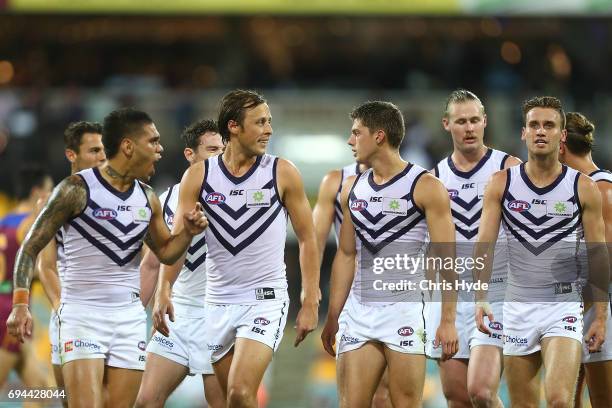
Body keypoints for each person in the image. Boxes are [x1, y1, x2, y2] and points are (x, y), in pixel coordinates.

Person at [6, 108, 208, 408]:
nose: (160, 149)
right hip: (82, 316)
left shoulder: (147, 197)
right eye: (153, 141)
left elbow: (166, 253)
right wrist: (21, 303)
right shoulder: (75, 190)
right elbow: (30, 248)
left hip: (128, 320)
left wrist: (187, 233)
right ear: (128, 146)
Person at [155, 90, 320, 407]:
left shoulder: (281, 172)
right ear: (233, 126)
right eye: (260, 122)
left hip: (264, 298)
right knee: (230, 402)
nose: (269, 130)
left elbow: (308, 237)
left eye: (269, 122)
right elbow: (178, 241)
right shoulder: (199, 176)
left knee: (240, 391)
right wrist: (165, 288)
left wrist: (310, 297)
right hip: (216, 302)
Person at [321, 101, 459, 407]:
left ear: (379, 136)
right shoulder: (350, 188)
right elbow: (346, 255)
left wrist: (448, 320)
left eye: (356, 133)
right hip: (358, 314)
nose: (350, 140)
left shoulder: (425, 187)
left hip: (404, 312)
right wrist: (333, 315)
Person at [474, 97, 608, 407]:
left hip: (562, 307)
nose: (540, 132)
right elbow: (484, 245)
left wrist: (600, 315)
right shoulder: (501, 183)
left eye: (549, 125)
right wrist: (480, 296)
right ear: (523, 133)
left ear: (562, 136)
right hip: (517, 306)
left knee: (560, 400)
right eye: (534, 125)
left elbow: (598, 254)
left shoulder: (583, 187)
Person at [426, 90, 520, 408]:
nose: (469, 128)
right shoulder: (434, 178)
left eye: (475, 120)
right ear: (446, 124)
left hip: (495, 294)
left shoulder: (508, 168)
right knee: (457, 397)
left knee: (481, 391)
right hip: (450, 298)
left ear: (485, 122)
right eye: (461, 121)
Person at [134, 119, 225, 408]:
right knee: (145, 400)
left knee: (222, 402)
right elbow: (151, 264)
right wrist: (134, 317)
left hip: (220, 316)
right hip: (179, 316)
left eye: (224, 149)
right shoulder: (167, 199)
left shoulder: (236, 199)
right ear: (190, 155)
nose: (220, 157)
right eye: (212, 149)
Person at [314, 161, 393, 408]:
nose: (351, 141)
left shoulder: (410, 179)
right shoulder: (337, 182)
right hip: (353, 294)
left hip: (394, 297)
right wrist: (310, 292)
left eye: (358, 134)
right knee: (353, 398)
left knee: (387, 394)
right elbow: (313, 241)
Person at [36, 121, 106, 396]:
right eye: (94, 150)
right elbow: (46, 263)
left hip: (114, 310)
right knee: (69, 397)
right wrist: (62, 309)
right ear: (71, 155)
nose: (102, 156)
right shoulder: (53, 201)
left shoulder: (122, 197)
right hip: (71, 310)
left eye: (104, 150)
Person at [558, 111, 612, 408]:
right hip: (574, 302)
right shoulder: (571, 186)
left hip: (597, 303)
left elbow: (608, 259)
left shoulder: (602, 188)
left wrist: (591, 311)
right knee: (566, 397)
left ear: (562, 144)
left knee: (602, 397)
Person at [0, 165, 53, 388]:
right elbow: (42, 268)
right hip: (11, 311)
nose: (53, 197)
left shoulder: (5, 221)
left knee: (41, 388)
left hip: (7, 306)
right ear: (37, 193)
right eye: (50, 191)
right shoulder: (32, 223)